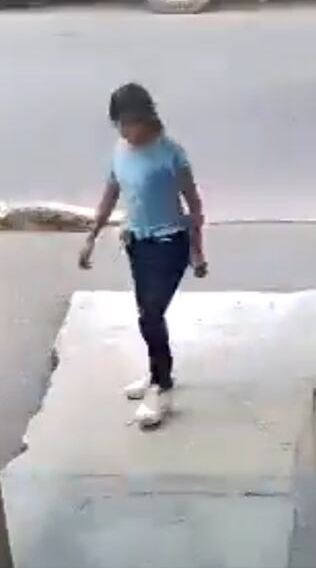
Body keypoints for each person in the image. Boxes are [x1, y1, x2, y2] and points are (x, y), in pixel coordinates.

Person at [78, 83, 207, 429]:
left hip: (170, 243)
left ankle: (161, 388)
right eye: (118, 124)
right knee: (146, 313)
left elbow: (193, 205)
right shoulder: (120, 151)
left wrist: (198, 250)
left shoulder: (171, 154)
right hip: (137, 243)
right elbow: (110, 195)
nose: (124, 131)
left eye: (129, 123)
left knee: (151, 314)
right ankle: (157, 373)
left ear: (147, 118)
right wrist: (91, 238)